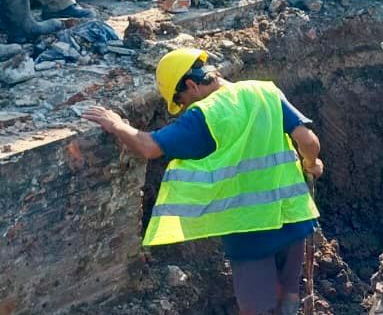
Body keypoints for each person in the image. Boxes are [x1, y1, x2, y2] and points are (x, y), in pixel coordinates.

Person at [81, 48, 323, 315]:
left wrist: (115, 124)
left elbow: (148, 147)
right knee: (289, 297)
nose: (184, 107)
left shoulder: (204, 115)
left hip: (249, 230)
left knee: (257, 309)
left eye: (181, 100)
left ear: (192, 85)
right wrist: (311, 164)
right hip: (294, 216)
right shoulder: (265, 91)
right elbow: (308, 141)